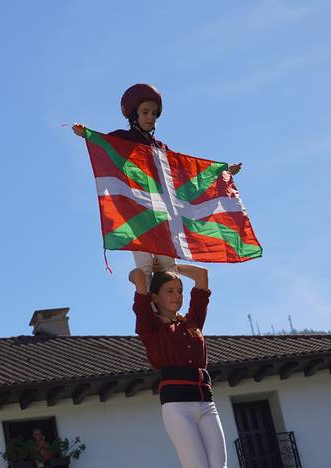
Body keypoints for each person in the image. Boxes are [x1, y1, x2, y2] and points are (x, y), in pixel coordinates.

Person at [72, 83, 241, 281]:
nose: (151, 117)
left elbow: (185, 176)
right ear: (133, 115)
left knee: (167, 267)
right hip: (138, 213)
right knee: (144, 265)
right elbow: (104, 147)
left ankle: (166, 310)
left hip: (163, 215)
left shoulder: (161, 149)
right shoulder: (122, 139)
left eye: (154, 113)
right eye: (145, 112)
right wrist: (85, 134)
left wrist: (222, 173)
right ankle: (146, 305)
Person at [129, 261, 226, 468]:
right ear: (155, 297)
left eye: (180, 291)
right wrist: (143, 280)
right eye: (170, 291)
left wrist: (171, 266)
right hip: (177, 406)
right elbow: (137, 274)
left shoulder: (192, 322)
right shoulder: (150, 326)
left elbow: (202, 275)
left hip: (206, 402)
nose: (177, 296)